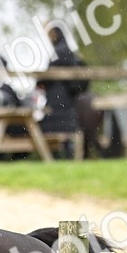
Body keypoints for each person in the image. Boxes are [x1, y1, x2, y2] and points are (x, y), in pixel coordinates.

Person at [37, 24, 89, 157]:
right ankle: (66, 155)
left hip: (59, 98)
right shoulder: (65, 51)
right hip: (64, 98)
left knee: (61, 129)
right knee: (65, 130)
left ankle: (62, 155)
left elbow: (48, 73)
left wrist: (41, 81)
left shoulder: (60, 52)